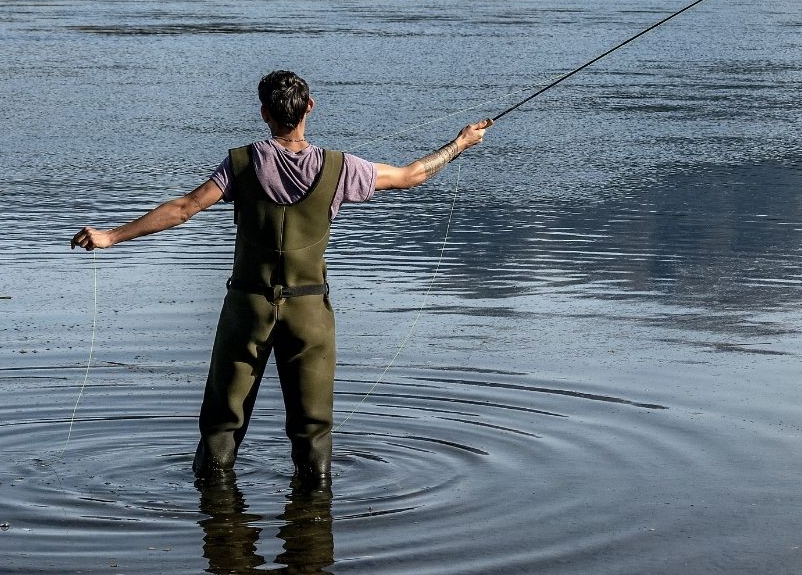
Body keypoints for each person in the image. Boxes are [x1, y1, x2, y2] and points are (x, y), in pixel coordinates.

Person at [70, 70, 491, 483]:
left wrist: (111, 236)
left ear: (264, 113)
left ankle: (217, 519)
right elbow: (411, 176)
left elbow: (185, 208)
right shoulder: (340, 168)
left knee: (222, 423)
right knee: (313, 428)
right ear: (310, 107)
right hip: (310, 313)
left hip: (247, 310)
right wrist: (461, 143)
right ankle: (312, 524)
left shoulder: (241, 162)